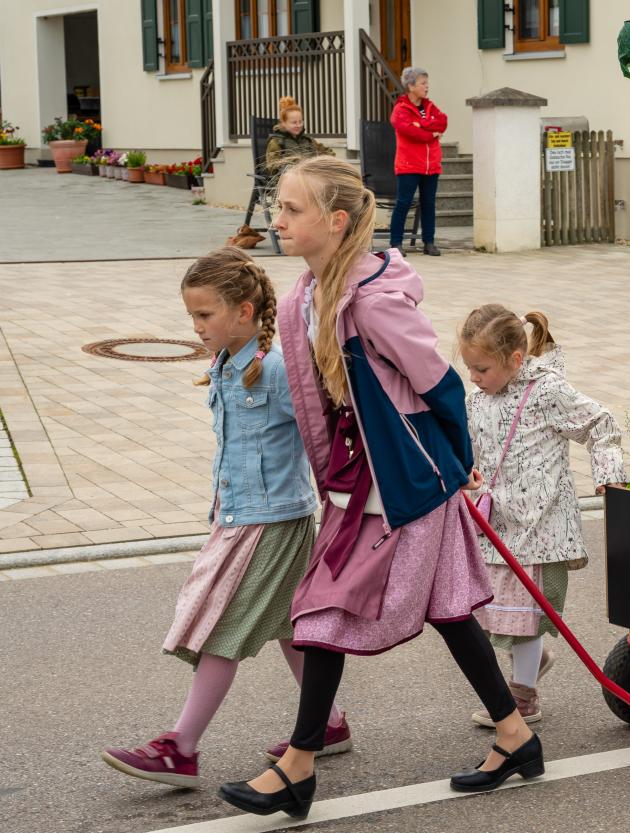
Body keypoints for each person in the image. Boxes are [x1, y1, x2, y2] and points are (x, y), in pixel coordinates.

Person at [217, 157, 541, 821]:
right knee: (450, 608)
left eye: (291, 209)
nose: (277, 221)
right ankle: (515, 735)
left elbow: (440, 383)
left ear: (335, 222)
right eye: (278, 207)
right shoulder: (306, 298)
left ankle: (299, 766)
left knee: (324, 611)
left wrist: (458, 460)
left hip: (406, 482)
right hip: (359, 480)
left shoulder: (372, 300)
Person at [101, 247, 349, 788]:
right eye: (191, 315)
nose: (196, 326)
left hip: (273, 521)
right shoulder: (224, 365)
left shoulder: (279, 370)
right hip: (241, 516)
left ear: (243, 310)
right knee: (289, 627)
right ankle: (327, 725)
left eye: (204, 314)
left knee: (223, 626)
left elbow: (325, 435)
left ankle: (180, 749)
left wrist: (343, 506)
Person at [459, 305, 626, 726]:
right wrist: (466, 471)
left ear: (516, 360)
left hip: (540, 525)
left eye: (481, 368)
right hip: (494, 521)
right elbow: (472, 446)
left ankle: (524, 697)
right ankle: (529, 662)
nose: (474, 378)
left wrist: (608, 475)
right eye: (470, 369)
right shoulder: (477, 399)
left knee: (525, 615)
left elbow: (600, 423)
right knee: (496, 611)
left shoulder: (548, 392)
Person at [389, 66, 447, 256]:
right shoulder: (400, 109)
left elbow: (443, 122)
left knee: (428, 203)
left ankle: (429, 242)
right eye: (423, 83)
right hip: (409, 165)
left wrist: (422, 125)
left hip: (431, 166)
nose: (427, 87)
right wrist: (431, 133)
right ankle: (396, 243)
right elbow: (412, 133)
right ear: (411, 86)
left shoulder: (430, 106)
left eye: (427, 83)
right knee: (403, 203)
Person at [264, 96, 335, 185]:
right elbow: (273, 167)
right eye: (294, 122)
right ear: (283, 123)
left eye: (300, 121)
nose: (298, 125)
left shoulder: (308, 140)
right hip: (289, 184)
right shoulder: (276, 142)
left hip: (311, 180)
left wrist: (321, 163)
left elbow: (329, 152)